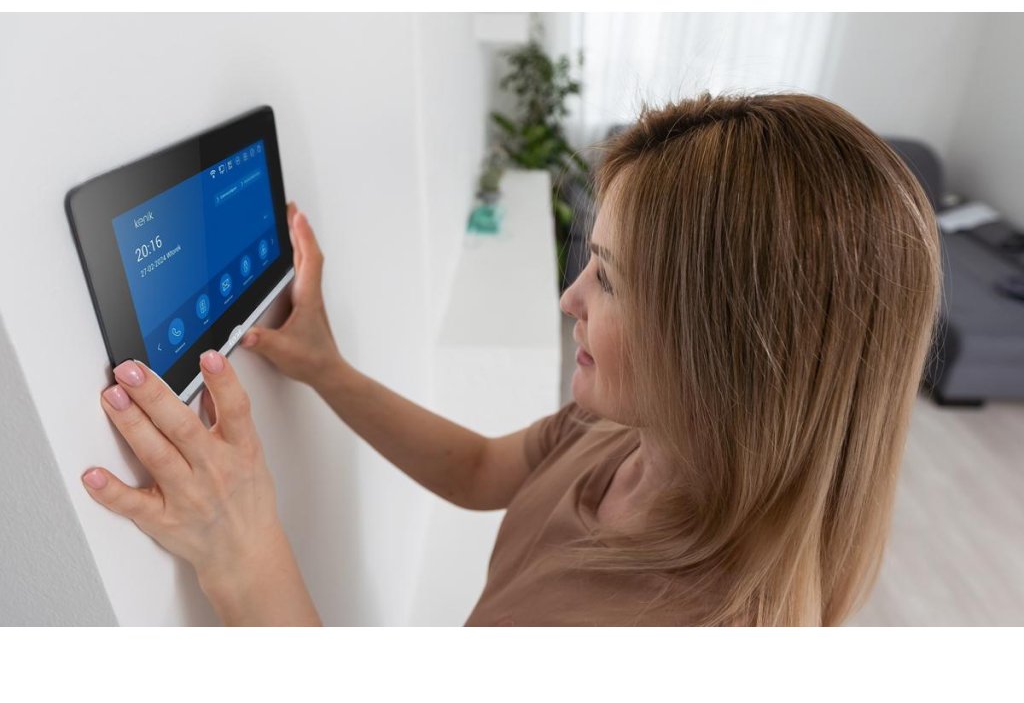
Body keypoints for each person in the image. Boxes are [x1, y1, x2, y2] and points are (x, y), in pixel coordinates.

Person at [82, 92, 942, 626]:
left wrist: (241, 548)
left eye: (608, 279)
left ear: (723, 347)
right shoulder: (632, 433)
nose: (570, 300)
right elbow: (482, 469)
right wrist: (326, 367)